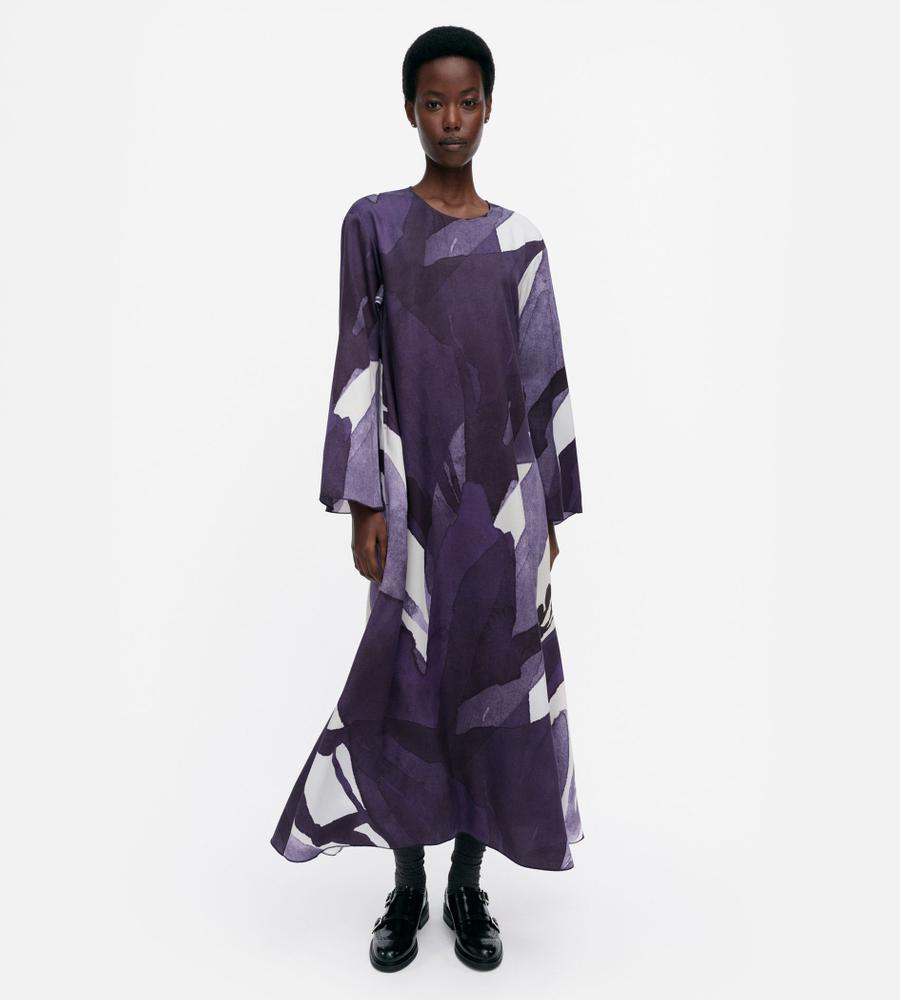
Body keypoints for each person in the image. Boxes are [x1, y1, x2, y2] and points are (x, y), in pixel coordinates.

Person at [270, 24, 585, 973]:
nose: (452, 119)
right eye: (434, 103)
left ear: (489, 108)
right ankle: (407, 885)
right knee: (407, 685)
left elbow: (544, 382)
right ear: (410, 109)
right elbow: (357, 360)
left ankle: (466, 886)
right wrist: (365, 500)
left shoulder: (521, 241)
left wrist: (548, 513)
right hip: (413, 507)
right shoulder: (374, 225)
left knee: (494, 693)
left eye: (467, 102)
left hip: (505, 510)